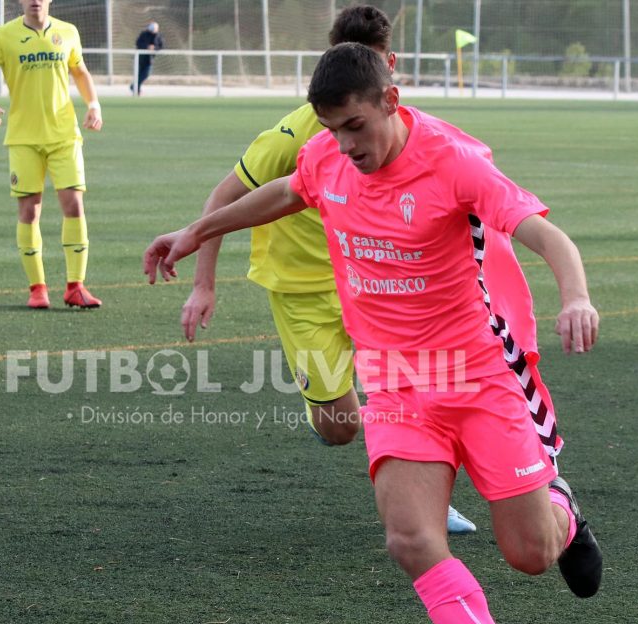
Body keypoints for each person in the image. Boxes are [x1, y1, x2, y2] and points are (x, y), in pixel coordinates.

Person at [144, 42, 603, 624]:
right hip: (395, 385)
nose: (344, 144)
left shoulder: (452, 164)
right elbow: (290, 190)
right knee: (410, 537)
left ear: (391, 100)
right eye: (332, 129)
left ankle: (563, 516)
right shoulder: (327, 159)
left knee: (530, 554)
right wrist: (196, 230)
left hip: (478, 379)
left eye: (355, 126)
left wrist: (574, 294)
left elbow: (545, 234)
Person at [176, 5, 479, 534]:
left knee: (419, 393)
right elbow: (226, 197)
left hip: (372, 287)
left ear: (390, 70)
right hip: (302, 294)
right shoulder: (297, 137)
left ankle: (429, 498)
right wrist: (203, 285)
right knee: (342, 428)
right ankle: (329, 418)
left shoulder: (403, 132)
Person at [0, 0, 104, 310]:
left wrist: (94, 104)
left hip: (64, 135)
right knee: (29, 211)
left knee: (73, 205)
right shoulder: (3, 36)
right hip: (23, 138)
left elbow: (80, 72)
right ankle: (37, 288)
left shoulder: (68, 32)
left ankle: (75, 286)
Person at [132, 21, 162, 96]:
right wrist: (147, 47)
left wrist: (154, 48)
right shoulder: (144, 34)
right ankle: (137, 90)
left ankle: (133, 87)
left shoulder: (158, 36)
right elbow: (138, 43)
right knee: (138, 75)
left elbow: (161, 46)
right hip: (140, 59)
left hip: (149, 60)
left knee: (146, 74)